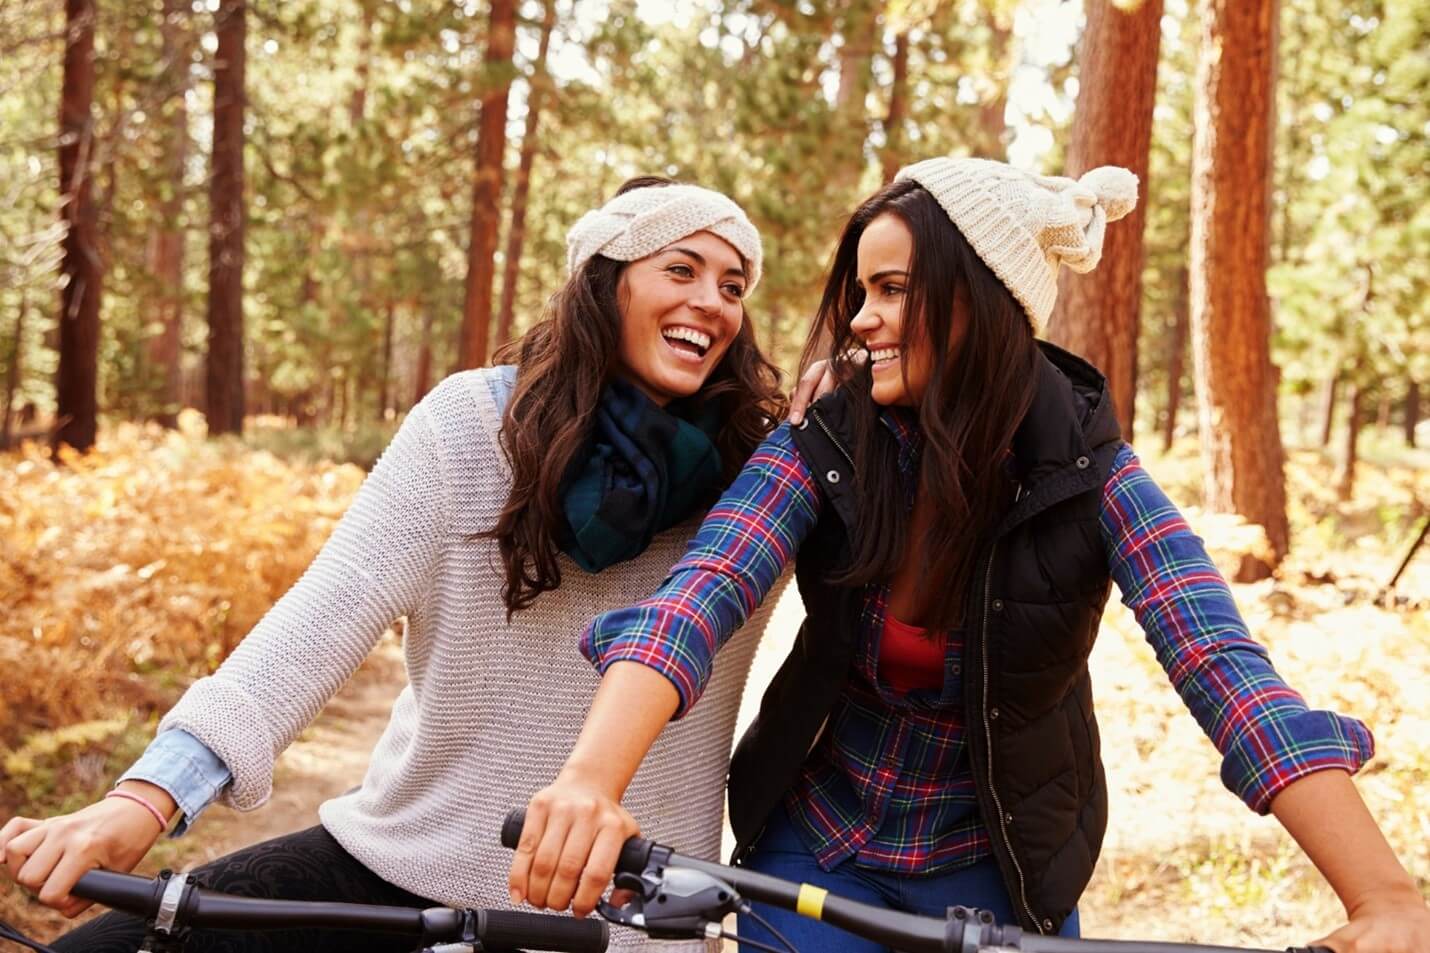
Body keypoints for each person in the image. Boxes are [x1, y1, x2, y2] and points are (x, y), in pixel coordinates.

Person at [510, 157, 1430, 953]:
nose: (861, 319)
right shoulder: (823, 443)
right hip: (814, 845)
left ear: (984, 294)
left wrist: (1383, 895)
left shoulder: (1096, 478)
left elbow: (1225, 669)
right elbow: (700, 592)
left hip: (1001, 862)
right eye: (862, 291)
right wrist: (590, 783)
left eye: (895, 289)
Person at [0, 177, 793, 952]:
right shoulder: (472, 426)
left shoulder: (763, 473)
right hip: (400, 868)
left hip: (625, 921)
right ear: (603, 282)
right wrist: (144, 799)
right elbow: (319, 620)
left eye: (733, 284)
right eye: (680, 268)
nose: (712, 302)